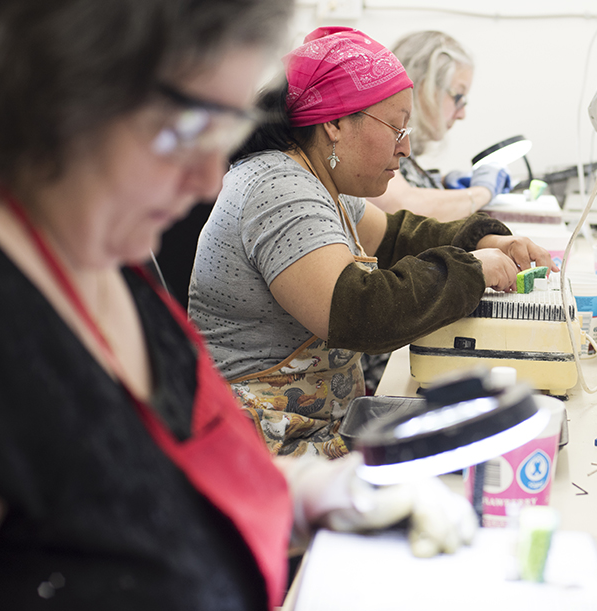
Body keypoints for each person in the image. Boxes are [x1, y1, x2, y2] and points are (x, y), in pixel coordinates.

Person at [0, 0, 474, 611]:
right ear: (69, 89)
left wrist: (308, 495)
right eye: (189, 131)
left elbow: (128, 484)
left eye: (227, 131)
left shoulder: (92, 235)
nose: (210, 178)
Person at [188, 26, 556, 460]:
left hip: (315, 424)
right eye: (397, 129)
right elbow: (358, 310)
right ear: (335, 124)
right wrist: (471, 269)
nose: (406, 148)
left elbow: (397, 237)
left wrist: (483, 237)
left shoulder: (321, 183)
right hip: (261, 449)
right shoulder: (279, 189)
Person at [366, 30, 512, 223]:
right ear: (423, 87)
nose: (461, 114)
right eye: (458, 96)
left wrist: (440, 182)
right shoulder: (377, 135)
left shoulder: (400, 145)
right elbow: (400, 207)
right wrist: (482, 191)